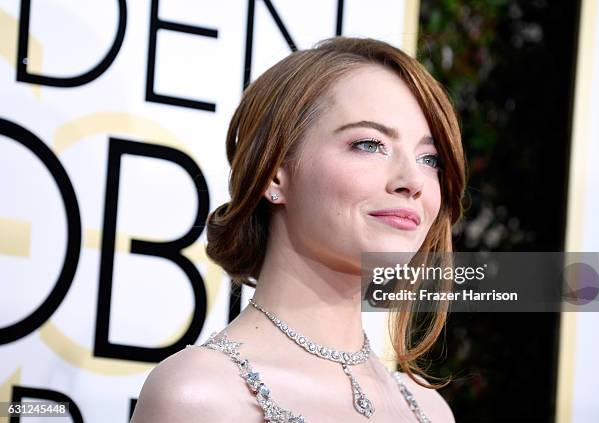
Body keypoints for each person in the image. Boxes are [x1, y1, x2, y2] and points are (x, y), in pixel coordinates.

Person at [131, 36, 466, 422]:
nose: (413, 181)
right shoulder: (201, 395)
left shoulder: (429, 409)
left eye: (429, 158)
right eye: (370, 144)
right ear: (274, 173)